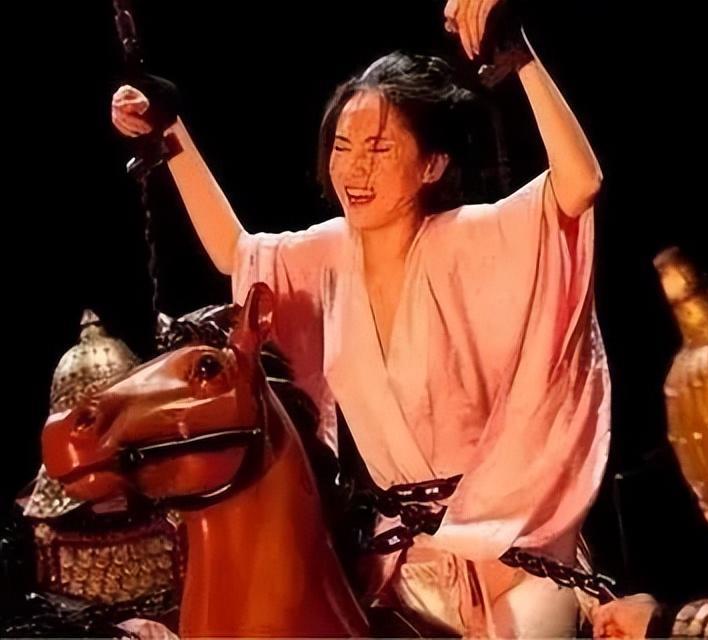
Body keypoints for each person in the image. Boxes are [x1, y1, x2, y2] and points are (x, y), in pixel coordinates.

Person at [111, 1, 610, 636]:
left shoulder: (473, 238)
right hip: (401, 556)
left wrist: (520, 57)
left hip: (512, 543)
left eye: (379, 148)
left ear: (432, 165)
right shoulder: (329, 252)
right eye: (343, 147)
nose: (354, 168)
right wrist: (169, 130)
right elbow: (234, 251)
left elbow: (579, 183)